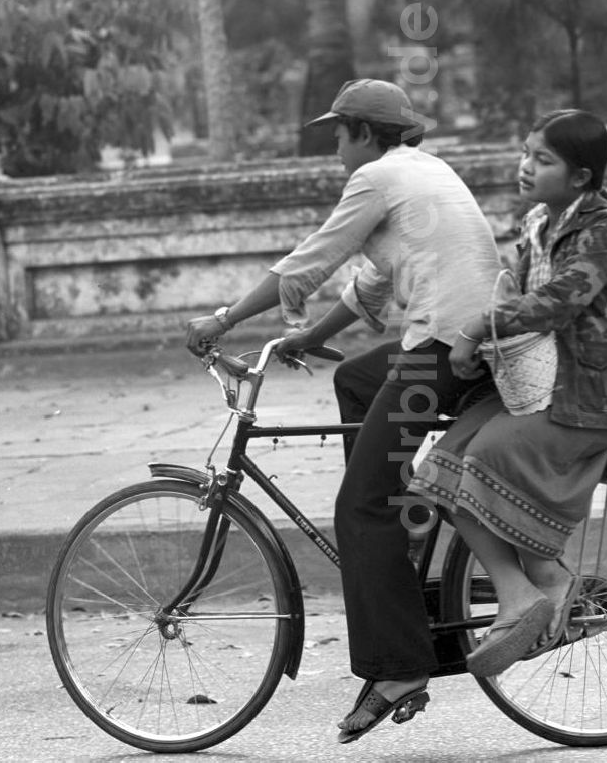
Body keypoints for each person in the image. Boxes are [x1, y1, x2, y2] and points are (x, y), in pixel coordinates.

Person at [184, 78, 503, 742]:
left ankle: (396, 669)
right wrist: (312, 337)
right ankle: (403, 528)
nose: (334, 143)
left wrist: (222, 318)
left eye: (338, 131)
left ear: (361, 132)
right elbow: (374, 281)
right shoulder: (419, 170)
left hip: (448, 343)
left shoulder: (377, 178)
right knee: (358, 381)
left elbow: (310, 259)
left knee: (359, 505)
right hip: (459, 332)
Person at [408, 108, 607, 677]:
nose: (526, 166)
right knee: (440, 468)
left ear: (580, 177)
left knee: (486, 459)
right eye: (526, 153)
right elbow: (516, 298)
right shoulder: (538, 223)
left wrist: (479, 327)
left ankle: (547, 581)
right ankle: (520, 590)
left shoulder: (604, 229)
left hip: (601, 390)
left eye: (543, 159)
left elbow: (558, 300)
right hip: (549, 383)